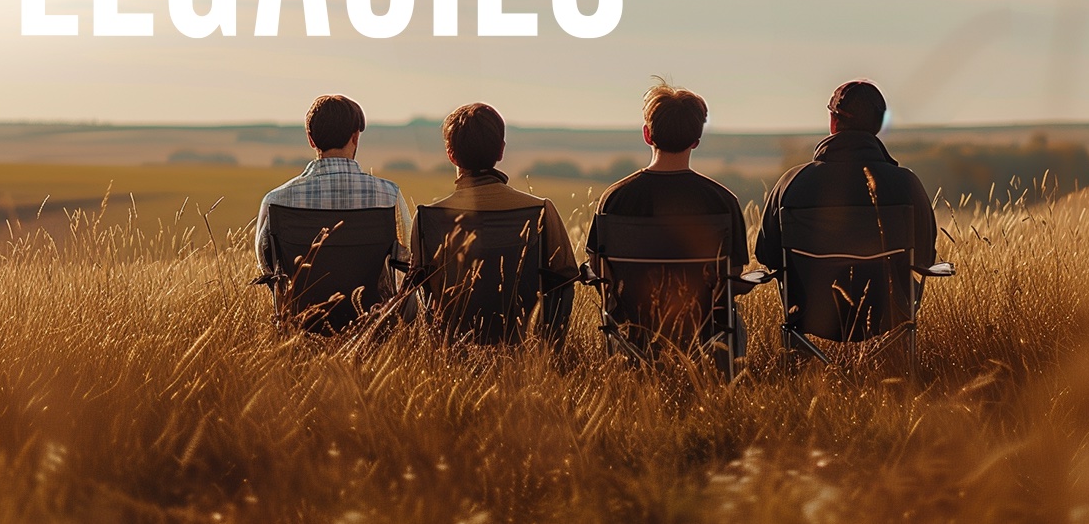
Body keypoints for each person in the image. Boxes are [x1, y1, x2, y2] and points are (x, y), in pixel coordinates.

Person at [586, 79, 749, 360]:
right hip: (704, 330)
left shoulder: (614, 199)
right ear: (696, 140)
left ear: (647, 135)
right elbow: (731, 276)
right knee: (737, 323)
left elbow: (599, 271)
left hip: (634, 330)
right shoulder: (723, 201)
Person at [755, 80, 937, 301]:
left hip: (809, 312)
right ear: (878, 126)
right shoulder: (907, 184)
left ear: (833, 122)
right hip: (889, 312)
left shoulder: (791, 182)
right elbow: (924, 259)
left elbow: (769, 255)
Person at [420, 102, 577, 341]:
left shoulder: (428, 217)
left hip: (451, 354)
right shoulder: (540, 210)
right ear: (501, 151)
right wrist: (546, 354)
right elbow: (564, 282)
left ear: (451, 155)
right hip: (523, 352)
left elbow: (421, 291)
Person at [254, 94, 411, 291]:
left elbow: (266, 266)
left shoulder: (275, 201)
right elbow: (407, 259)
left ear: (311, 139)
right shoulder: (390, 196)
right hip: (375, 315)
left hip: (299, 318)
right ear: (355, 136)